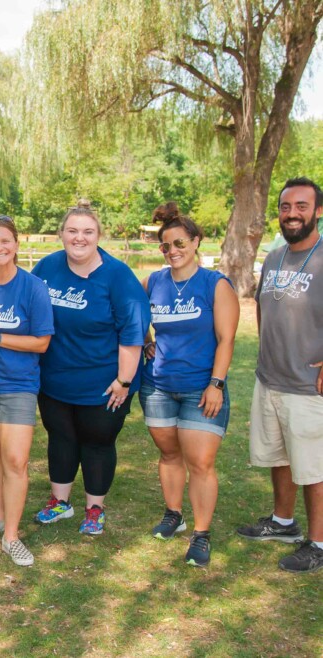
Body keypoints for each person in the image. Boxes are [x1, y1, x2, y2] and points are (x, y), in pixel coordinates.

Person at [31, 202, 150, 535]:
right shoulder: (47, 266)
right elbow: (23, 297)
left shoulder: (117, 276)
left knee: (97, 442)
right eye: (72, 231)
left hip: (104, 383)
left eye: (87, 232)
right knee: (61, 438)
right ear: (61, 234)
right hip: (54, 379)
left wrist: (124, 381)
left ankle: (94, 508)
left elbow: (133, 333)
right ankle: (60, 502)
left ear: (99, 236)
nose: (78, 238)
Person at [140, 202, 239, 567]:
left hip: (202, 387)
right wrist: (146, 339)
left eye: (180, 243)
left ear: (196, 242)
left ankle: (201, 533)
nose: (173, 252)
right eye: (166, 246)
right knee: (169, 454)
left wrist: (216, 383)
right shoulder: (153, 281)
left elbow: (226, 340)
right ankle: (173, 514)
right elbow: (133, 313)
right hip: (158, 386)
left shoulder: (216, 284)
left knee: (200, 463)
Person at [236, 177, 323, 573]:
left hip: (309, 384)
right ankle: (283, 522)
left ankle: (319, 544)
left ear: (317, 212)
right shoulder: (273, 257)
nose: (293, 214)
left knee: (315, 467)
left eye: (302, 206)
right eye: (286, 207)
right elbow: (262, 307)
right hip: (270, 377)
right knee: (281, 455)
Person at [0, 216, 53, 567]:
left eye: (5, 241)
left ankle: (12, 536)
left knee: (16, 461)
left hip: (18, 386)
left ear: (17, 245)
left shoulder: (33, 287)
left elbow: (42, 343)